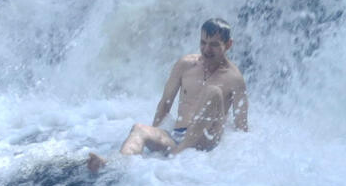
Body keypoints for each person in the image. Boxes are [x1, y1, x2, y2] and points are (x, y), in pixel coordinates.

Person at [87, 18, 249, 173]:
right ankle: (116, 165)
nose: (206, 50)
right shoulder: (185, 65)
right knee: (140, 129)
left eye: (214, 45)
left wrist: (229, 160)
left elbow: (241, 128)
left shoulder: (235, 79)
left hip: (206, 141)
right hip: (177, 137)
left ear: (228, 45)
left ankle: (178, 153)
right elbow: (165, 104)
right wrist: (155, 139)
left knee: (213, 91)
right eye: (203, 43)